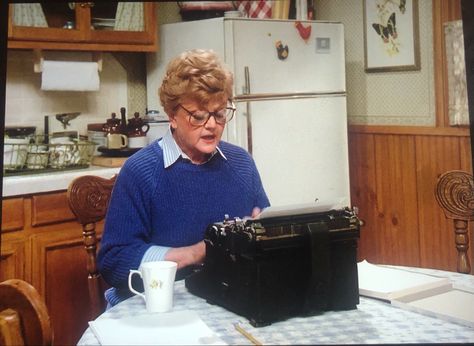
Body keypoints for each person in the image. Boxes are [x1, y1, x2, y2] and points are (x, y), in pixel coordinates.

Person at [97, 49, 270, 306]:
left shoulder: (241, 163)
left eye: (220, 114)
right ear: (172, 115)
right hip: (156, 306)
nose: (211, 125)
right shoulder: (140, 171)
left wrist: (264, 232)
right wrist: (195, 253)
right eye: (198, 116)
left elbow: (266, 228)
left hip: (226, 299)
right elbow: (114, 261)